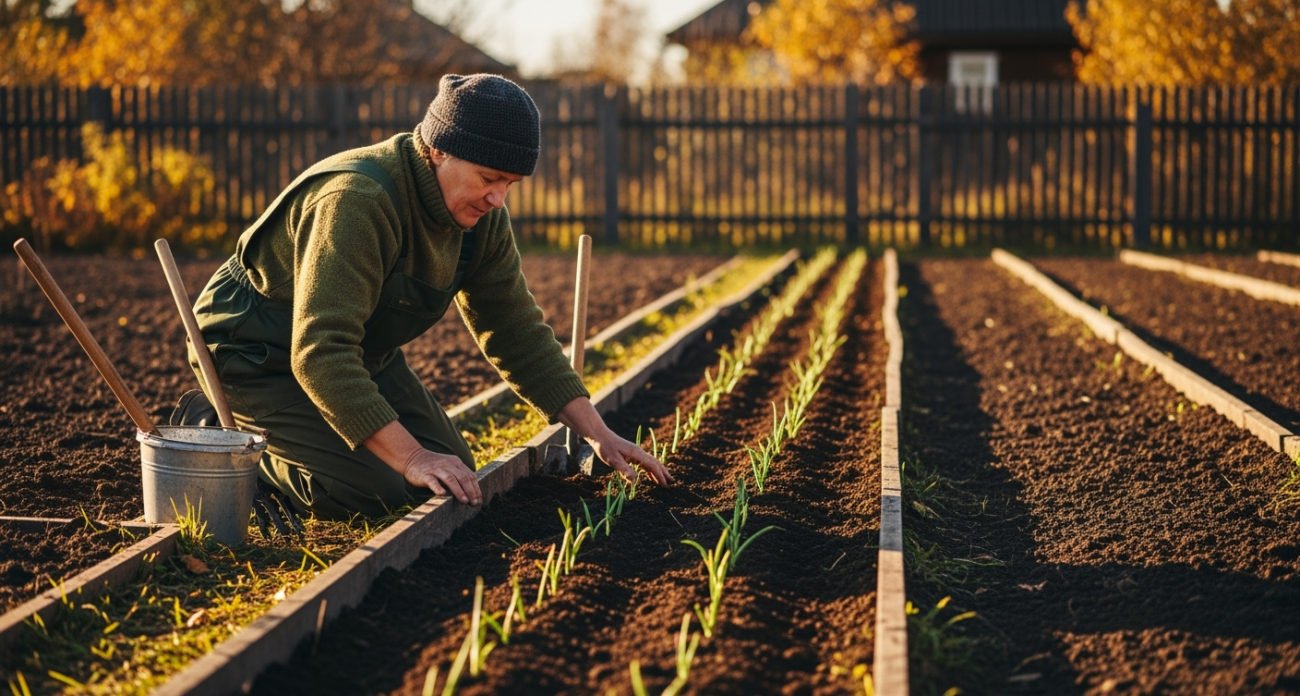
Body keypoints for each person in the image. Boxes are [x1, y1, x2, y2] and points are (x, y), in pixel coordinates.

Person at [188, 74, 672, 521]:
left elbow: (516, 330)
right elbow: (321, 351)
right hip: (255, 354)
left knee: (451, 472)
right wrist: (412, 457)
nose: (498, 199)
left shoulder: (482, 221)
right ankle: (221, 437)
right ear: (439, 150)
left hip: (359, 356)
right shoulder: (358, 200)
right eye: (488, 178)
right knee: (376, 489)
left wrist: (598, 434)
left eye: (510, 184)